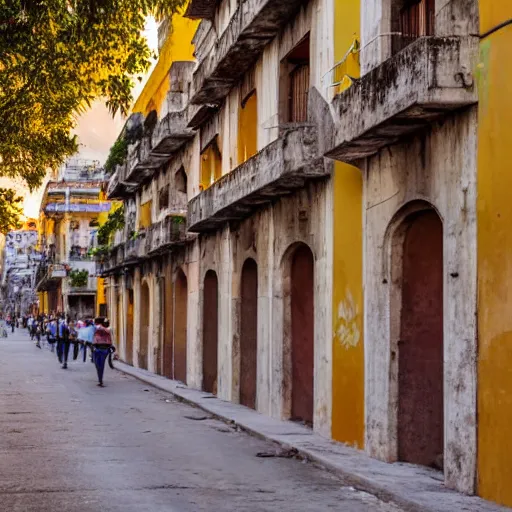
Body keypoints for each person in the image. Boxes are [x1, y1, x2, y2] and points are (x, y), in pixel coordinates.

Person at [91, 317, 112, 387]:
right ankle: (100, 379)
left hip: (98, 349)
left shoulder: (97, 328)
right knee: (101, 365)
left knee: (98, 365)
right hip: (104, 349)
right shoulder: (107, 330)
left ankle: (100, 379)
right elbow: (110, 340)